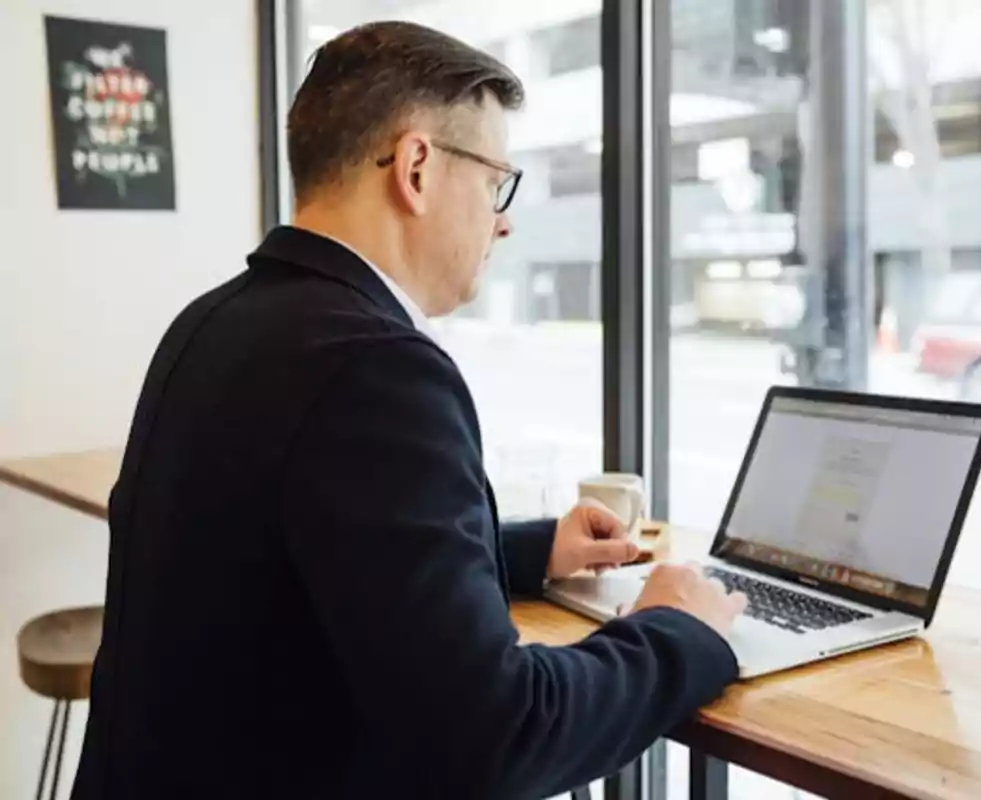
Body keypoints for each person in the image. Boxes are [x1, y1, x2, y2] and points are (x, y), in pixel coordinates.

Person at [72, 21, 746, 800]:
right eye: (496, 181)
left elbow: (307, 554)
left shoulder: (211, 322)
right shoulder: (377, 370)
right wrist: (674, 631)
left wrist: (528, 551)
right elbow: (496, 737)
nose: (503, 218)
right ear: (417, 167)